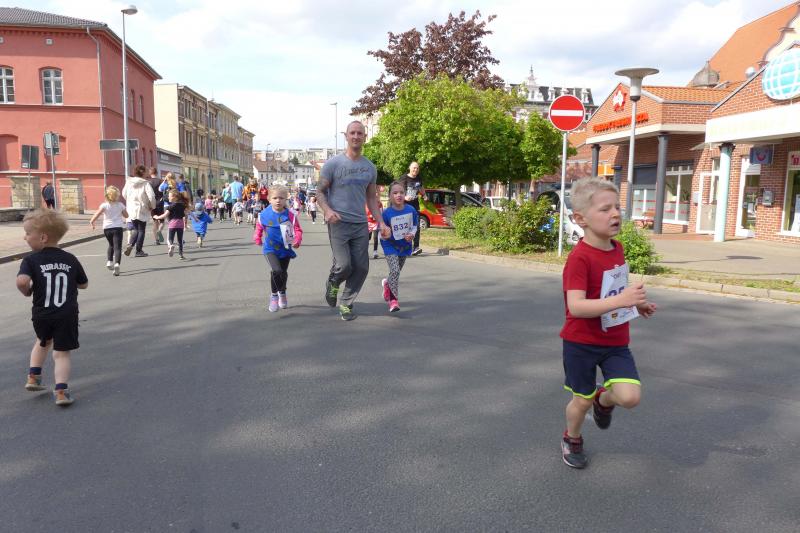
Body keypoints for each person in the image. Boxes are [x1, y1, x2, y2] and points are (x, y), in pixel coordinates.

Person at [559, 177, 658, 469]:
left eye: (617, 207)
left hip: (615, 341)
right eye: (605, 209)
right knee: (581, 401)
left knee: (630, 397)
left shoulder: (617, 248)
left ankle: (603, 401)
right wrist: (623, 300)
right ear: (581, 219)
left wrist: (636, 304)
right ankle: (572, 438)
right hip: (581, 343)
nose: (615, 213)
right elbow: (576, 307)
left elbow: (614, 291)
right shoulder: (579, 259)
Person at [16, 209, 88, 406]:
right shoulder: (70, 259)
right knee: (61, 353)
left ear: (43, 237)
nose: (25, 237)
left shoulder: (30, 260)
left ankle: (33, 377)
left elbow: (22, 281)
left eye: (27, 233)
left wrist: (27, 291)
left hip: (42, 314)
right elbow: (83, 284)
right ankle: (61, 392)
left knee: (42, 341)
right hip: (66, 314)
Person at [317, 120, 383, 321]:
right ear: (346, 136)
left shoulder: (370, 168)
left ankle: (346, 303)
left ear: (365, 137)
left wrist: (381, 222)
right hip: (338, 222)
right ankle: (333, 281)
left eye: (359, 133)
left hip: (360, 224)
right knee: (344, 265)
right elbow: (320, 192)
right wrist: (327, 210)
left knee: (361, 267)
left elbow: (371, 199)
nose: (356, 136)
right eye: (352, 133)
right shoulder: (333, 164)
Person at [252, 185, 303, 312]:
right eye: (275, 198)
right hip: (270, 249)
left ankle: (282, 293)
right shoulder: (264, 214)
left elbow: (297, 229)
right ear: (269, 199)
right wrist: (257, 237)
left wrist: (297, 240)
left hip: (285, 248)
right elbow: (259, 226)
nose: (278, 200)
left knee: (283, 273)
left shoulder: (290, 215)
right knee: (277, 271)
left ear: (286, 199)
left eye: (281, 198)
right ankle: (274, 296)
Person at [380, 181, 417, 313]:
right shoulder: (386, 213)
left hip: (404, 245)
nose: (399, 195)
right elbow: (381, 231)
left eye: (401, 192)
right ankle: (393, 300)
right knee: (395, 270)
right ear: (390, 196)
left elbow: (414, 226)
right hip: (389, 245)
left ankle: (387, 283)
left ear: (405, 194)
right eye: (395, 193)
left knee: (396, 272)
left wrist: (412, 234)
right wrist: (384, 234)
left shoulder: (411, 210)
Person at [89, 185, 128, 276]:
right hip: (117, 228)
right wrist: (123, 212)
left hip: (107, 228)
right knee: (117, 247)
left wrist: (92, 221)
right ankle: (117, 264)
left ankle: (109, 261)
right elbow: (126, 215)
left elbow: (97, 214)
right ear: (117, 195)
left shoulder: (104, 205)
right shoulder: (120, 205)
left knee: (111, 245)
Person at [122, 164, 155, 257]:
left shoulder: (129, 182)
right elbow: (152, 196)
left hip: (131, 208)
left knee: (136, 229)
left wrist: (130, 201)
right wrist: (152, 206)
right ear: (143, 172)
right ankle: (138, 250)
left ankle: (130, 245)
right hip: (142, 208)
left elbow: (124, 193)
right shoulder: (145, 183)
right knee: (141, 230)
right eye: (146, 171)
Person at [396, 161, 425, 255]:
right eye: (414, 168)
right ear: (410, 168)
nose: (415, 170)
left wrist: (424, 195)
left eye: (417, 168)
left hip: (415, 205)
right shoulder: (404, 178)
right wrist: (404, 197)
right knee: (405, 226)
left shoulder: (419, 178)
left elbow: (421, 188)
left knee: (416, 226)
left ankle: (416, 247)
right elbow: (398, 190)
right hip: (405, 205)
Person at [153, 189, 188, 260]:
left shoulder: (170, 206)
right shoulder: (182, 205)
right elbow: (186, 215)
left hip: (172, 224)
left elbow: (164, 215)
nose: (168, 197)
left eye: (169, 196)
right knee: (180, 240)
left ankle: (171, 245)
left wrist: (157, 217)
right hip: (180, 224)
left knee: (170, 238)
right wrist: (185, 224)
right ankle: (181, 255)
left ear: (175, 197)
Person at [148, 168, 166, 245]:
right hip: (160, 202)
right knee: (162, 221)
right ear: (157, 173)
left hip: (152, 203)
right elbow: (165, 191)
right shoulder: (161, 181)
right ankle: (159, 231)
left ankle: (156, 240)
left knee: (155, 221)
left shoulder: (148, 182)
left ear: (150, 173)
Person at [366, 191, 384, 259]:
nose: (376, 197)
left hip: (376, 222)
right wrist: (370, 216)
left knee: (375, 237)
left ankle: (375, 252)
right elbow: (365, 212)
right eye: (374, 196)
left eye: (377, 196)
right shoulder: (367, 202)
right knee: (367, 238)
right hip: (368, 222)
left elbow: (381, 213)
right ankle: (365, 252)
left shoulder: (379, 204)